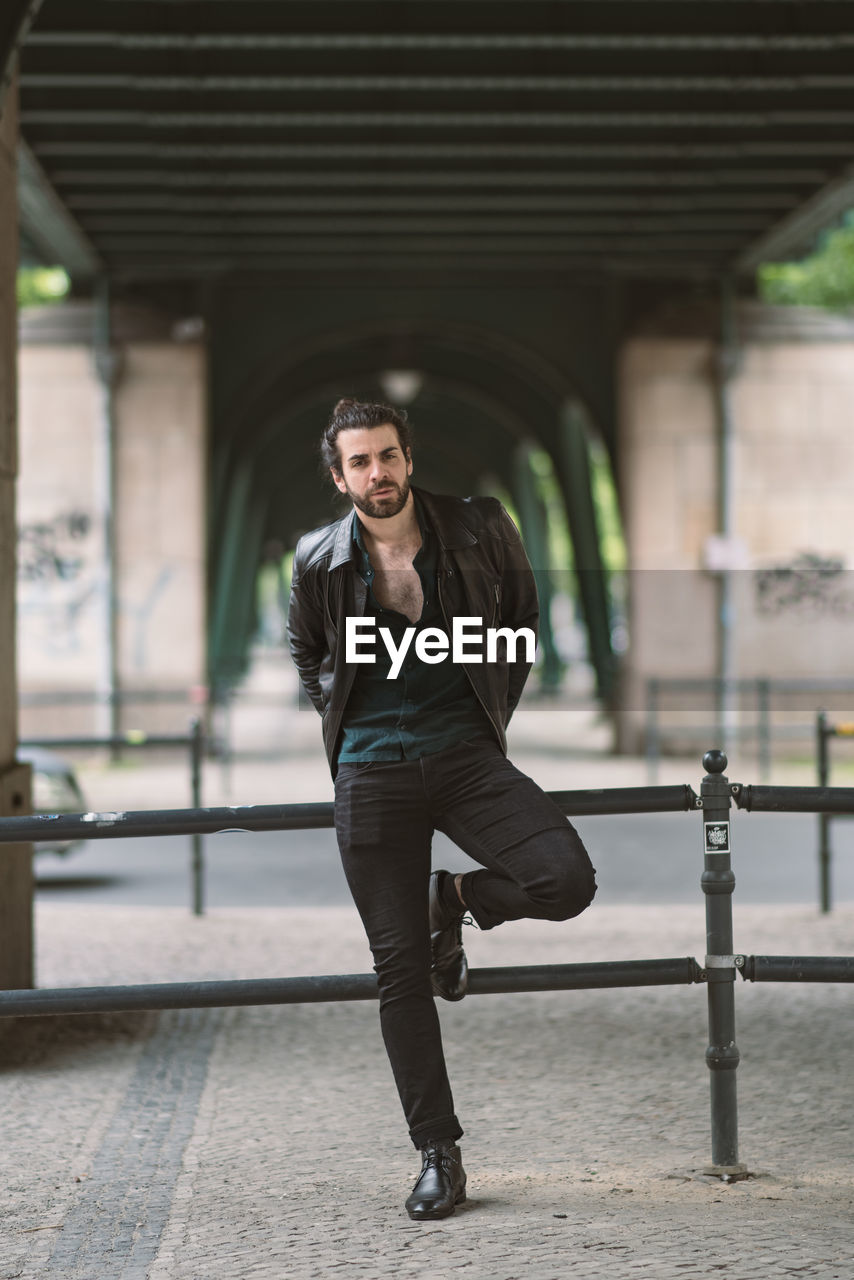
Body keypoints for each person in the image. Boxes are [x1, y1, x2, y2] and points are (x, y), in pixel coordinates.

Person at [287, 397, 597, 1221]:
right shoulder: (318, 557)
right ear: (339, 474)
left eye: (387, 456)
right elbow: (307, 652)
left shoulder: (481, 526)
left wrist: (488, 710)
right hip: (370, 774)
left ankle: (449, 899)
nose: (376, 474)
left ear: (408, 460)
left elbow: (523, 622)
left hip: (464, 758)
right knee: (400, 975)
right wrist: (344, 715)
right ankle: (438, 1153)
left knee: (564, 880)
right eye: (359, 462)